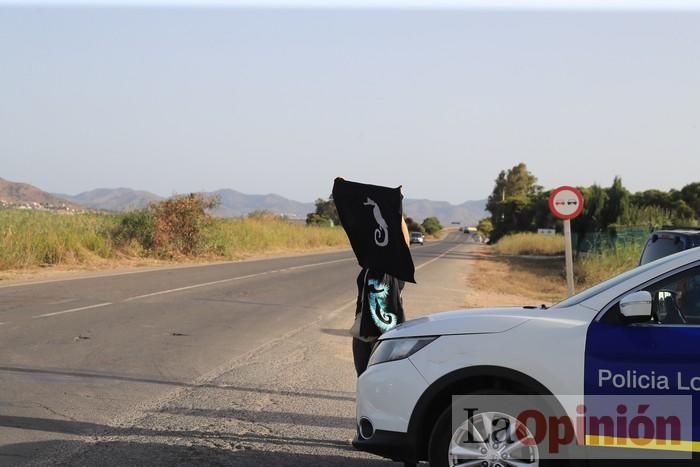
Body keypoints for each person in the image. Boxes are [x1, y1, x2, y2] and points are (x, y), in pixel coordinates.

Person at [352, 217, 411, 376]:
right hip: (362, 333)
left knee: (383, 379)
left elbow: (405, 243)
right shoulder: (367, 269)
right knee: (363, 378)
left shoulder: (397, 271)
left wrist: (397, 212)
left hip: (387, 336)